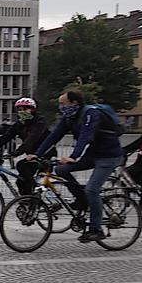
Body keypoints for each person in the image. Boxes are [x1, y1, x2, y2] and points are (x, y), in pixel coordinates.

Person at [27, 90, 124, 243]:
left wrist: (73, 157)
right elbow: (53, 136)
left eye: (63, 104)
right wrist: (37, 154)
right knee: (60, 169)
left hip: (109, 156)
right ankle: (82, 199)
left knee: (92, 189)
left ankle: (96, 229)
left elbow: (86, 135)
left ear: (74, 103)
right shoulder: (69, 117)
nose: (61, 107)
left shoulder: (91, 114)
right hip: (93, 154)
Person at [0, 97, 51, 195]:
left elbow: (31, 139)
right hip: (31, 155)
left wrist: (17, 152)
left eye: (25, 109)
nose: (22, 111)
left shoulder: (40, 122)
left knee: (23, 169)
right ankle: (27, 201)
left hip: (45, 154)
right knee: (22, 180)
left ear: (33, 109)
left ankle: (30, 200)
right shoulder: (20, 124)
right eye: (20, 109)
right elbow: (6, 137)